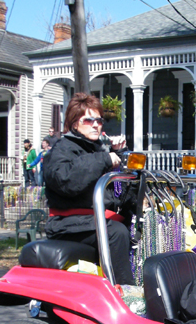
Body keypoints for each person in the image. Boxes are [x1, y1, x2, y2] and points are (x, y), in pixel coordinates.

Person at [43, 93, 136, 285]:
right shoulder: (62, 148)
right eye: (89, 120)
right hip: (67, 223)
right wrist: (105, 159)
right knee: (116, 232)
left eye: (99, 120)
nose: (95, 124)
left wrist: (120, 157)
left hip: (91, 221)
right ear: (75, 123)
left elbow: (118, 195)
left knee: (139, 227)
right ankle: (125, 295)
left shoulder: (97, 150)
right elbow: (65, 180)